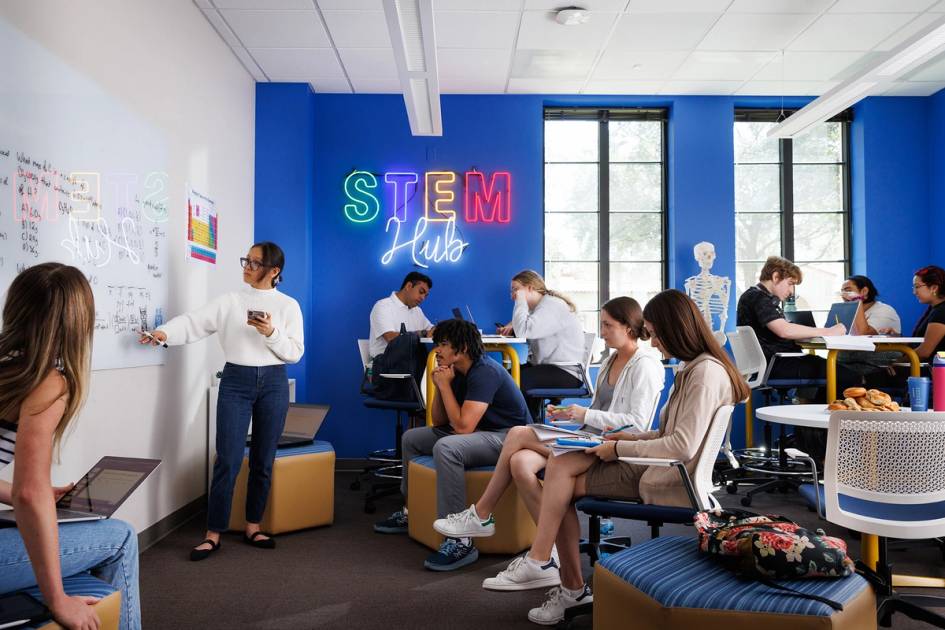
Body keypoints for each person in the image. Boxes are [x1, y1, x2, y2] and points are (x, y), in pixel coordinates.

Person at [468, 290, 750, 625]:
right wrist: (628, 438)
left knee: (557, 468)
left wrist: (617, 448)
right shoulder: (699, 368)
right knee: (556, 464)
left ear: (676, 330)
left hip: (665, 476)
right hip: (657, 464)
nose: (655, 342)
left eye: (656, 333)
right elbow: (665, 435)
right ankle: (551, 570)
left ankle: (552, 570)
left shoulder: (702, 374)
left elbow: (681, 446)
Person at [430, 297, 665, 587]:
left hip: (613, 445)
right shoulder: (610, 361)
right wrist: (571, 417)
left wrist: (584, 413)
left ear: (629, 328)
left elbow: (637, 423)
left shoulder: (646, 365)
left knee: (517, 433)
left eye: (608, 325)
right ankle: (548, 554)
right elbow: (598, 412)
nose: (601, 332)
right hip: (589, 436)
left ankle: (481, 513)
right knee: (519, 462)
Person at [0, 263, 141, 630]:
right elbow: (31, 495)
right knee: (122, 536)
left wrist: (28, 494)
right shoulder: (47, 381)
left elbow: (28, 493)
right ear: (78, 325)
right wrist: (57, 599)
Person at [141, 242, 303, 561]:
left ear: (274, 272)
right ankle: (213, 533)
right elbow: (193, 321)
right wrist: (163, 333)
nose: (246, 266)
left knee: (263, 459)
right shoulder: (230, 301)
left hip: (274, 381)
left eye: (255, 263)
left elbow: (295, 353)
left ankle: (252, 526)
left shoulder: (288, 306)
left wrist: (270, 332)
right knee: (227, 459)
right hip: (236, 380)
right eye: (246, 260)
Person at [373, 319, 529, 571]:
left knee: (447, 448)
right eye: (438, 344)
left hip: (509, 437)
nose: (438, 351)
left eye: (444, 345)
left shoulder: (485, 371)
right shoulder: (455, 371)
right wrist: (440, 385)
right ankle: (410, 510)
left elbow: (463, 428)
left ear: (463, 348)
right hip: (479, 432)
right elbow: (441, 420)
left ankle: (460, 539)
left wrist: (444, 386)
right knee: (411, 439)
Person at [736, 256, 856, 392]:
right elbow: (784, 330)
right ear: (776, 277)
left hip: (770, 364)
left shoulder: (755, 296)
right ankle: (832, 412)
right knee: (849, 376)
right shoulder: (759, 298)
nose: (791, 291)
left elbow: (782, 329)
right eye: (790, 283)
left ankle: (817, 409)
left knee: (831, 369)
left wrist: (806, 333)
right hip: (777, 365)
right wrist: (828, 332)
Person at [497, 270, 585, 420]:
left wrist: (521, 302)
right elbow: (528, 330)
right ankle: (524, 425)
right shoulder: (541, 308)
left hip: (565, 372)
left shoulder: (551, 305)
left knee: (513, 383)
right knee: (501, 378)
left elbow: (525, 331)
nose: (513, 295)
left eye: (516, 289)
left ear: (530, 288)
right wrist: (514, 327)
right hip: (547, 367)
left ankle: (525, 427)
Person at [839, 275, 902, 380]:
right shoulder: (849, 311)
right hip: (853, 359)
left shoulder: (884, 310)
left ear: (864, 291)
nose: (844, 295)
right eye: (842, 292)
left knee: (837, 365)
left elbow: (863, 333)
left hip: (876, 360)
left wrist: (857, 301)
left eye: (848, 291)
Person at [368, 271, 434, 359]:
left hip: (410, 362)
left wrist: (436, 330)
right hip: (386, 364)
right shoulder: (383, 306)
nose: (423, 298)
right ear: (408, 286)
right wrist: (421, 333)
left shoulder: (417, 311)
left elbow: (430, 329)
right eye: (421, 292)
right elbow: (391, 338)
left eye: (426, 296)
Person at [908, 265, 945, 361]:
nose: (914, 292)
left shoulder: (941, 312)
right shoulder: (935, 309)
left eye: (917, 287)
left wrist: (895, 362)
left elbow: (924, 352)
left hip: (934, 371)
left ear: (934, 288)